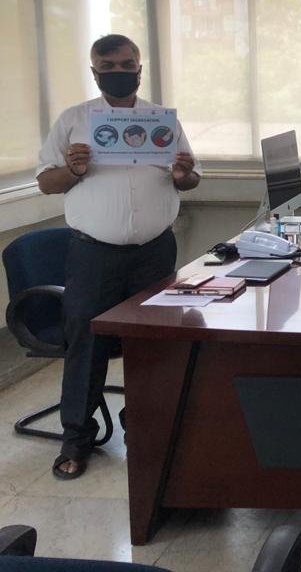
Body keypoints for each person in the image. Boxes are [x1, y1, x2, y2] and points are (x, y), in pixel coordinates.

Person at [36, 34, 201, 480]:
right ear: (95, 73)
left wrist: (182, 175)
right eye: (107, 66)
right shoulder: (74, 120)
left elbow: (189, 179)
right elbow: (46, 182)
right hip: (93, 255)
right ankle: (77, 437)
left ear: (139, 69)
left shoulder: (161, 120)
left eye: (126, 64)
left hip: (154, 252)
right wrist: (73, 170)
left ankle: (145, 426)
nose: (118, 72)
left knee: (153, 344)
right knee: (86, 343)